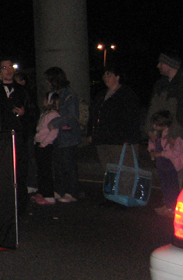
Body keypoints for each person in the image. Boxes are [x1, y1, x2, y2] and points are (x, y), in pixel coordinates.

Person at [0, 59, 30, 215]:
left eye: (10, 67)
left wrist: (24, 113)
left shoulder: (22, 90)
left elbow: (32, 111)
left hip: (18, 136)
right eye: (4, 68)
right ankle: (3, 206)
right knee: (1, 172)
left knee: (20, 172)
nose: (8, 70)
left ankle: (21, 207)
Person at [87, 65, 141, 175]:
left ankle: (124, 192)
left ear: (117, 77)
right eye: (104, 75)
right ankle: (112, 192)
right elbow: (93, 115)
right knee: (109, 173)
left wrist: (128, 138)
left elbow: (131, 118)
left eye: (109, 75)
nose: (105, 78)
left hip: (118, 142)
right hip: (102, 140)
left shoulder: (126, 94)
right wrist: (91, 133)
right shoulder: (101, 95)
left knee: (123, 173)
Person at [44, 67, 81, 203]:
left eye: (49, 79)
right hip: (57, 136)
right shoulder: (55, 93)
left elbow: (72, 116)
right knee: (58, 165)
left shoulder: (69, 94)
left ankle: (72, 192)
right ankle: (60, 190)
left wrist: (55, 123)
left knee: (68, 165)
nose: (47, 82)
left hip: (68, 134)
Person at [148, 110, 183, 218]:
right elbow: (152, 143)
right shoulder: (156, 134)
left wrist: (161, 153)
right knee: (164, 185)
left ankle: (173, 208)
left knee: (172, 187)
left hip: (171, 165)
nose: (154, 126)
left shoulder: (172, 135)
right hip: (162, 164)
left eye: (157, 124)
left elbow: (177, 151)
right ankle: (167, 205)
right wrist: (152, 150)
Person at [144, 51, 183, 144]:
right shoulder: (159, 85)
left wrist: (174, 135)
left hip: (177, 139)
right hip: (160, 137)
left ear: (170, 65)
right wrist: (149, 130)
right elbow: (153, 108)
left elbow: (179, 113)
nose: (158, 66)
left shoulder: (180, 86)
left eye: (161, 63)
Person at [32, 93, 59, 205]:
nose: (43, 101)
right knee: (41, 170)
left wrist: (44, 143)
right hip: (40, 143)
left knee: (45, 170)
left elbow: (54, 131)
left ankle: (49, 195)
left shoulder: (53, 114)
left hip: (45, 145)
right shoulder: (46, 113)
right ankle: (43, 192)